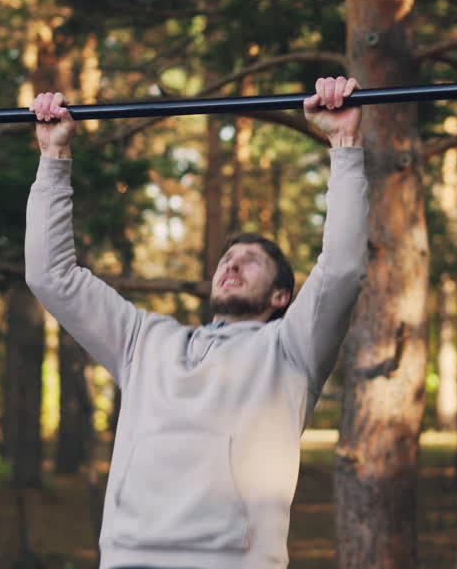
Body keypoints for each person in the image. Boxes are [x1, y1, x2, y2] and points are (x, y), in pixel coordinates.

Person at [25, 76, 369, 569]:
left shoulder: (291, 350)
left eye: (250, 260)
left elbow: (341, 268)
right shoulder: (143, 341)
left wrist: (343, 143)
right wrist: (53, 158)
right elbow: (50, 274)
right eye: (228, 257)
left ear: (281, 296)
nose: (231, 265)